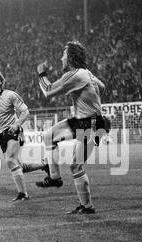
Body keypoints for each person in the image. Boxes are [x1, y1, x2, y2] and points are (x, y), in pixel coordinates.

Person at [36, 41, 106, 214]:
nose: (61, 58)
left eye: (64, 54)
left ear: (71, 57)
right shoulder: (86, 73)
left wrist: (41, 72)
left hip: (91, 124)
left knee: (76, 166)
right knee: (49, 136)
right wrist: (89, 100)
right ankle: (55, 178)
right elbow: (102, 87)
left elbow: (48, 90)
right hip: (82, 120)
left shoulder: (74, 75)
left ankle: (87, 207)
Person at [0, 67, 46, 201]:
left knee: (10, 160)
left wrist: (17, 124)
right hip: (0, 135)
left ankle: (23, 194)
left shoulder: (10, 95)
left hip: (14, 131)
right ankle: (45, 164)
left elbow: (25, 111)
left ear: (1, 81)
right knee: (19, 166)